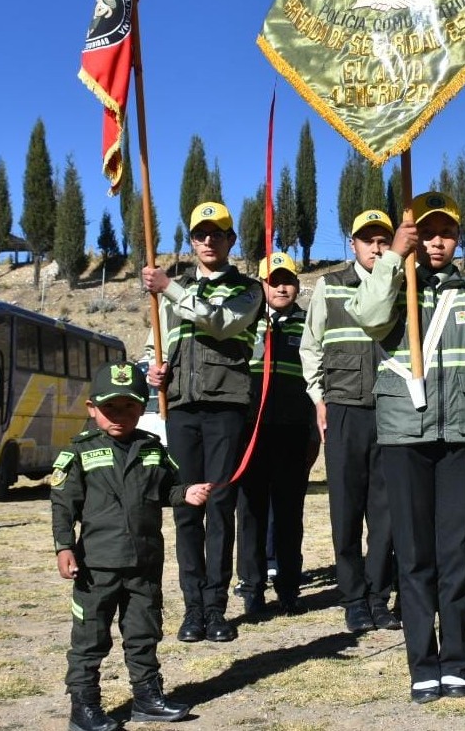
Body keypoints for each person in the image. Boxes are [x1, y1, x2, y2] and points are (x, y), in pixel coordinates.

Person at [346, 192, 465, 703]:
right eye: (426, 233)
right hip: (405, 436)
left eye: (446, 233)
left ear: (458, 240)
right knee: (414, 556)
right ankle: (422, 665)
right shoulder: (391, 284)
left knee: (456, 554)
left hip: (464, 438)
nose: (437, 242)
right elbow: (369, 317)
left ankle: (458, 663)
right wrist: (391, 259)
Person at [51, 360, 212, 731]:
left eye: (128, 406)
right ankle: (84, 706)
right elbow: (63, 505)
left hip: (144, 563)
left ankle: (147, 698)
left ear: (142, 408)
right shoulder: (80, 453)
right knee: (90, 638)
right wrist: (64, 547)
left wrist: (186, 493)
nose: (119, 415)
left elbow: (168, 488)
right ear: (92, 409)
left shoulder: (152, 449)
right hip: (97, 567)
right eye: (109, 407)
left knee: (144, 632)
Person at [142, 202, 263, 644]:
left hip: (225, 406)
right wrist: (152, 369)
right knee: (185, 507)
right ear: (192, 241)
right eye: (200, 234)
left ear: (231, 240)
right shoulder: (172, 293)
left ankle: (216, 608)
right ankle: (193, 608)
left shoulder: (248, 289)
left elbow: (221, 323)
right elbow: (155, 343)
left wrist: (169, 288)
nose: (209, 241)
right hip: (180, 408)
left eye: (217, 233)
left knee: (219, 505)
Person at [299, 209, 398, 633]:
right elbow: (311, 346)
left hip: (392, 410)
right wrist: (318, 398)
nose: (375, 247)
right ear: (353, 244)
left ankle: (379, 596)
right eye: (367, 240)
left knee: (385, 512)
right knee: (345, 508)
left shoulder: (400, 283)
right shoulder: (331, 285)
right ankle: (354, 598)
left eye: (383, 240)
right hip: (343, 409)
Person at [235, 251, 317, 616]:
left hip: (293, 431)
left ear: (297, 285)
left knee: (288, 514)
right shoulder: (247, 321)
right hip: (252, 433)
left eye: (288, 281)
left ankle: (288, 588)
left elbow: (317, 380)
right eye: (273, 281)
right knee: (251, 512)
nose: (281, 288)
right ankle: (252, 587)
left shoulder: (309, 323)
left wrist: (314, 433)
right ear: (261, 285)